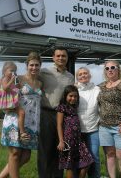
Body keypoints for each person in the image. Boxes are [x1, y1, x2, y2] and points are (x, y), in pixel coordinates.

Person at [0, 52, 43, 178]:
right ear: (27, 65)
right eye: (31, 65)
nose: (34, 67)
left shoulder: (40, 83)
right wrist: (7, 107)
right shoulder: (19, 79)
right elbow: (4, 92)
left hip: (32, 123)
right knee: (15, 153)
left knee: (26, 156)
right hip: (16, 119)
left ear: (40, 66)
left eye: (37, 65)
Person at [38, 47, 75, 178]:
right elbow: (30, 80)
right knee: (45, 150)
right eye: (58, 56)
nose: (61, 58)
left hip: (62, 116)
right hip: (46, 114)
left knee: (59, 149)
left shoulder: (70, 77)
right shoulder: (44, 72)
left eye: (63, 56)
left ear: (67, 58)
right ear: (53, 58)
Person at [97, 60, 121, 178]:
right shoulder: (101, 86)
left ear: (118, 69)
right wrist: (78, 85)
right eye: (107, 68)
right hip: (104, 127)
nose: (110, 70)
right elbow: (88, 91)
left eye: (112, 67)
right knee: (110, 154)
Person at [56, 85, 94, 178]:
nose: (73, 98)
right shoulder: (62, 107)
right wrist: (61, 141)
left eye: (75, 96)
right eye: (71, 96)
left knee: (87, 161)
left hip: (79, 140)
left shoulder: (75, 108)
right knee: (70, 165)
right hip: (68, 141)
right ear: (65, 96)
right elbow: (59, 125)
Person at [75, 67, 101, 178]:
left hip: (93, 129)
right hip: (78, 130)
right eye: (80, 74)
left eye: (85, 73)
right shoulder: (74, 89)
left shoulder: (97, 89)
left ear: (90, 76)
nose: (83, 75)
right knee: (78, 158)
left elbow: (101, 107)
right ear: (77, 77)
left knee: (94, 156)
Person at [0, 61, 29, 141]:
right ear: (4, 71)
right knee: (22, 113)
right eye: (11, 70)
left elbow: (17, 87)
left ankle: (20, 131)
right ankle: (22, 132)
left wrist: (17, 83)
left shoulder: (11, 79)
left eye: (15, 71)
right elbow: (5, 88)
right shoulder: (5, 78)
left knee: (20, 113)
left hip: (9, 103)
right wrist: (12, 80)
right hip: (8, 102)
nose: (13, 73)